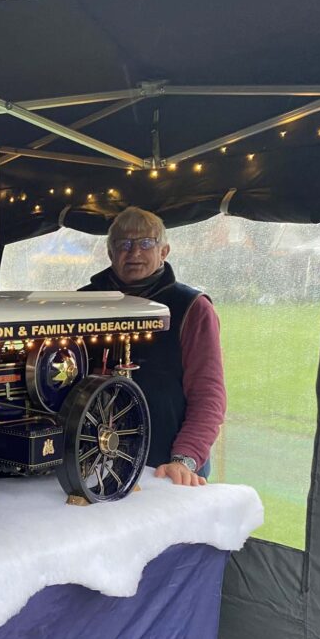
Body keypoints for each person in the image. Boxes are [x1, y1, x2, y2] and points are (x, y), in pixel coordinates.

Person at [78, 207, 226, 487]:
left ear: (164, 251)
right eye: (124, 244)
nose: (134, 252)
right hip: (89, 463)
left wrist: (184, 459)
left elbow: (208, 394)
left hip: (165, 467)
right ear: (110, 253)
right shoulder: (80, 304)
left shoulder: (192, 307)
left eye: (146, 243)